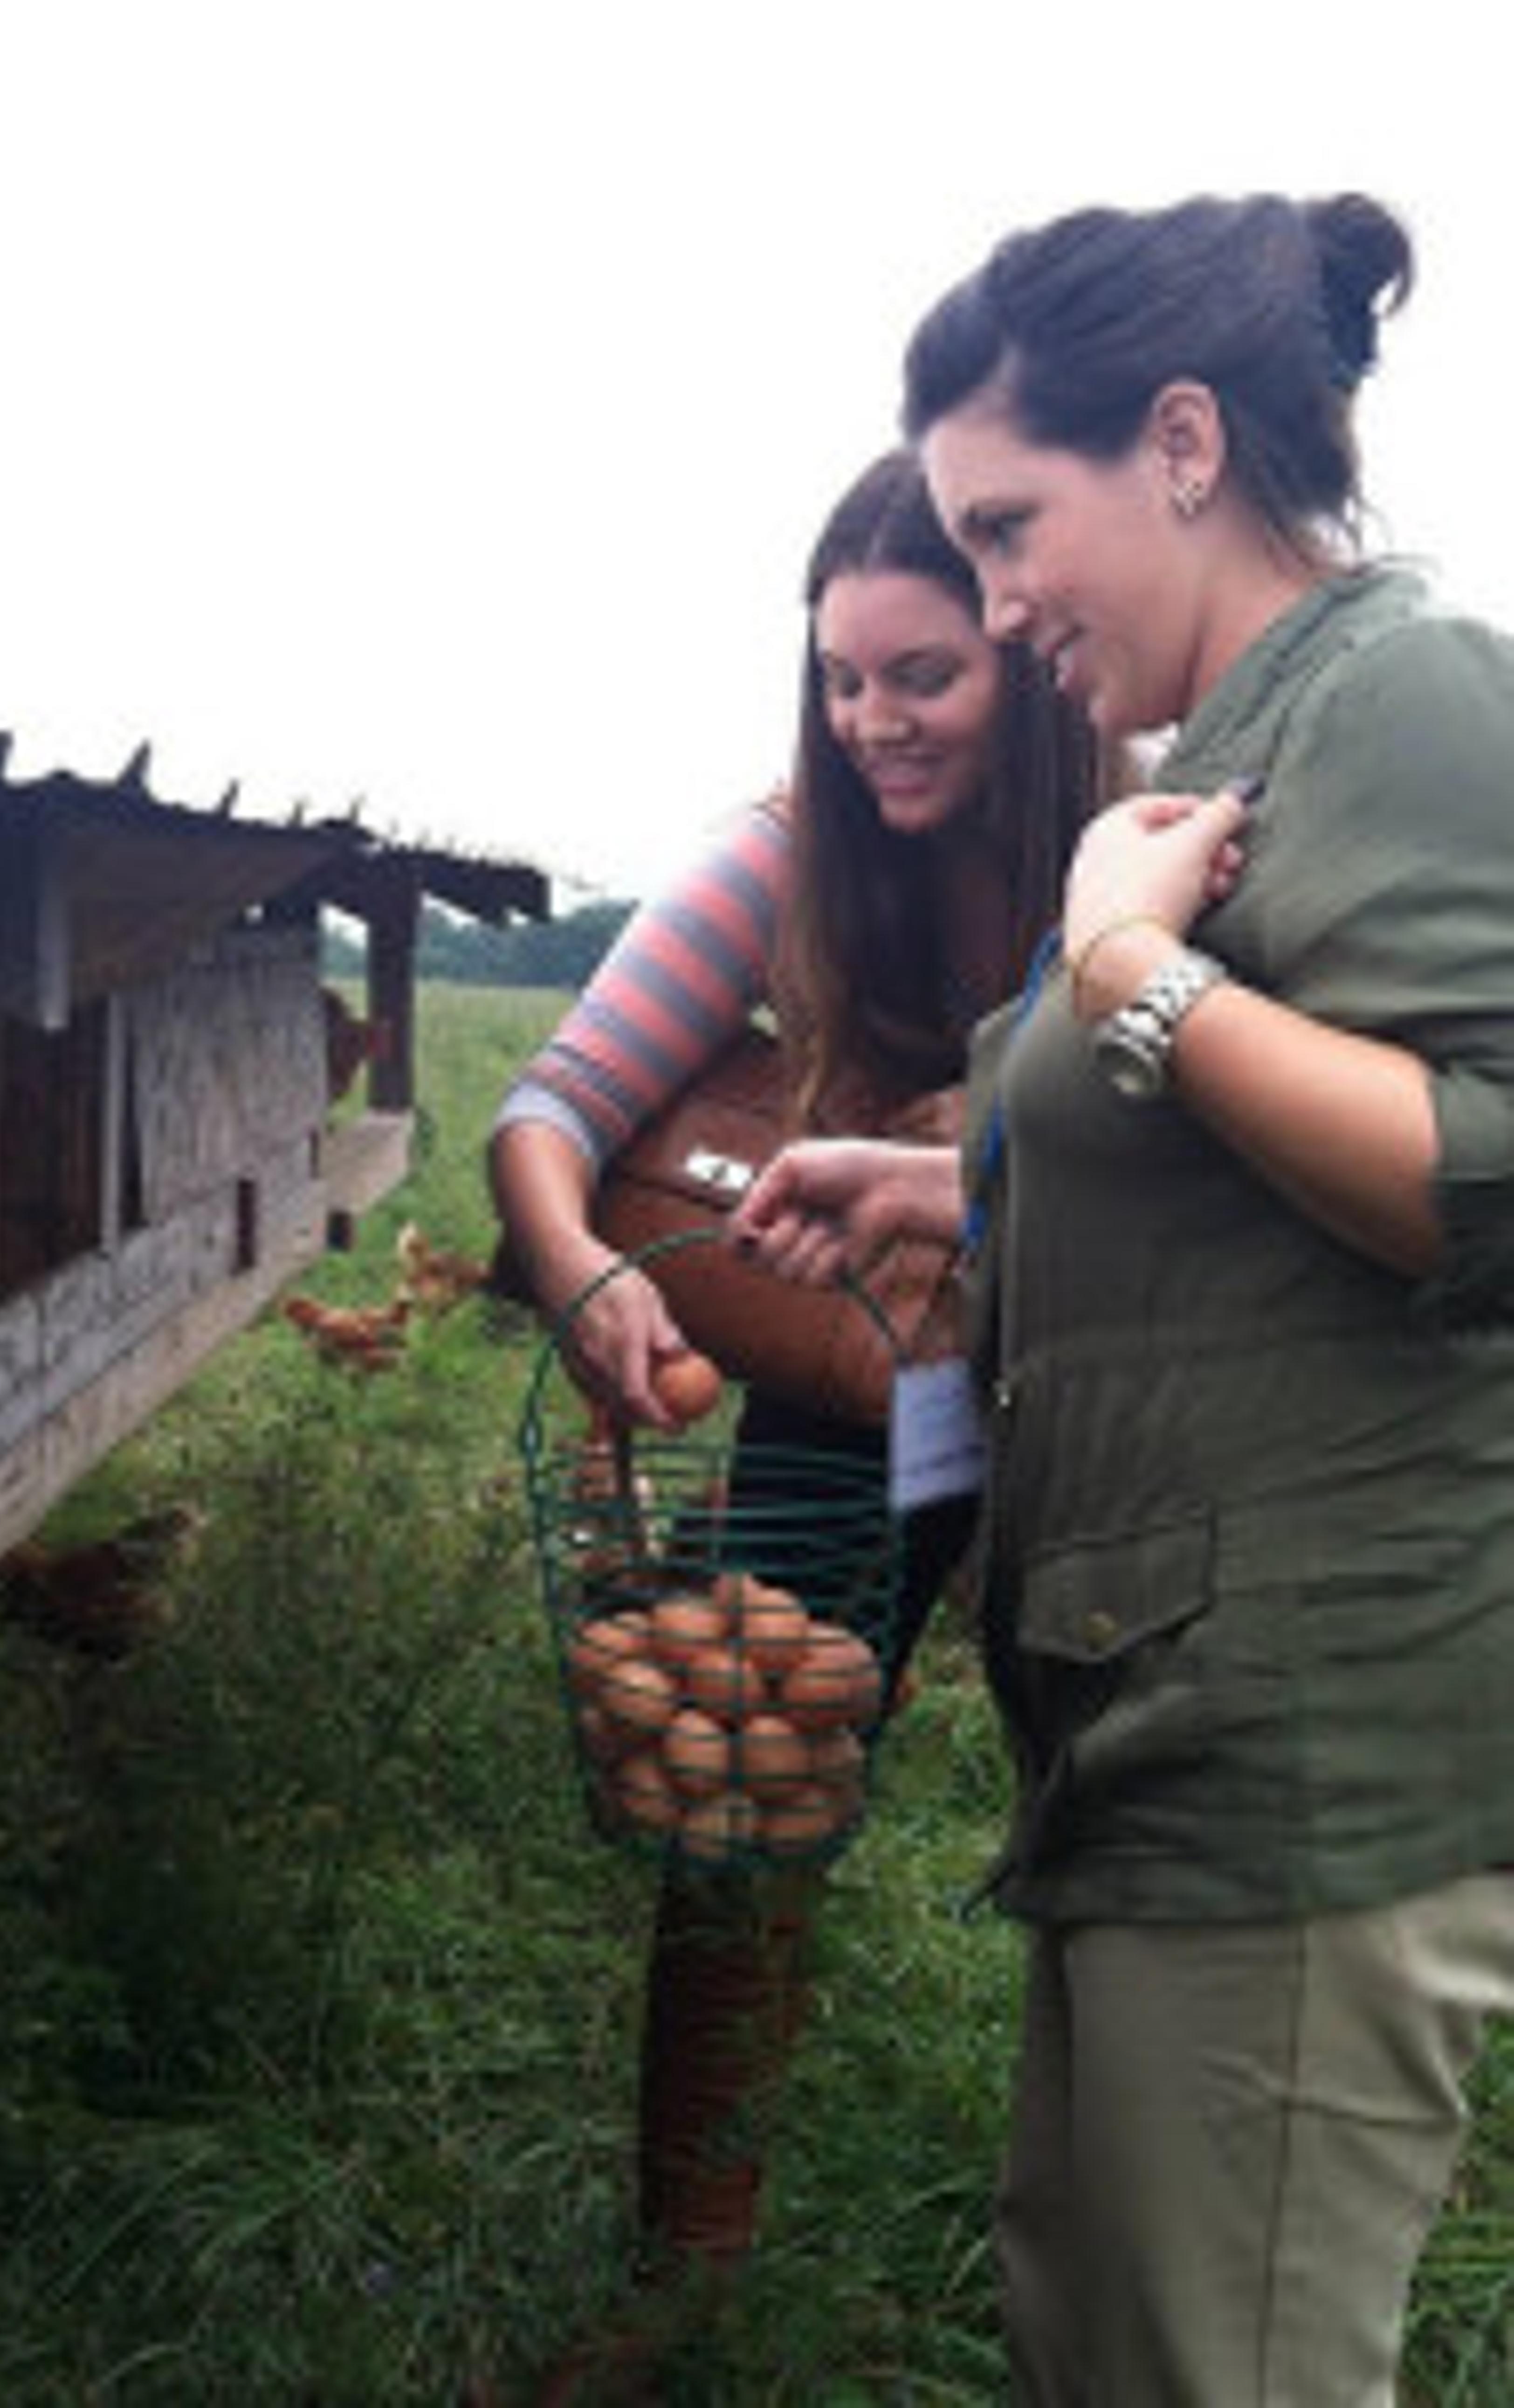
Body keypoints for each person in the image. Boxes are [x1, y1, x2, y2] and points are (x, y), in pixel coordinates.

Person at [734, 191, 1514, 2406]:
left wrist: (1126, 973)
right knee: (1108, 2332)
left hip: (1305, 1746)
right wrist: (946, 1182)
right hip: (1157, 1733)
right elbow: (1252, 1174)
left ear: (1184, 442)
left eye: (1006, 532)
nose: (992, 604)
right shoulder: (1225, 754)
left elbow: (1487, 1172)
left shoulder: (1407, 696)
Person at [488, 449, 1096, 2380]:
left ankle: (1110, 2276)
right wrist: (587, 1273)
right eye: (841, 678)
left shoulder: (1142, 843)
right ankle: (688, 2279)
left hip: (1113, 1394)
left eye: (920, 675)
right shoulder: (790, 853)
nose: (871, 722)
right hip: (864, 1397)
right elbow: (553, 1108)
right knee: (736, 1809)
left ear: (1021, 645)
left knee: (1131, 1828)